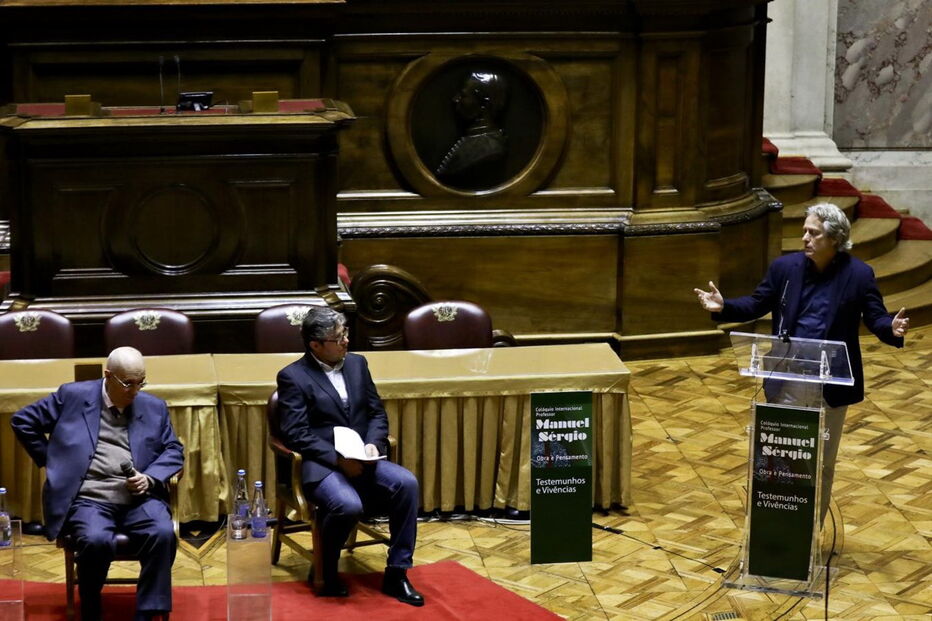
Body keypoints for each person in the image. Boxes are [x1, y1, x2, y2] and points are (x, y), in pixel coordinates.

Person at [694, 203, 909, 522]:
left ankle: (810, 533)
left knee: (821, 463)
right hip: (788, 375)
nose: (805, 238)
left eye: (813, 233)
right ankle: (775, 528)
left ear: (834, 239)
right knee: (781, 457)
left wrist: (889, 328)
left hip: (831, 383)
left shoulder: (859, 275)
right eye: (805, 231)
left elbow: (875, 316)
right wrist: (723, 307)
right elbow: (756, 304)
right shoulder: (785, 268)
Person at [11, 346, 184, 621]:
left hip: (139, 498)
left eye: (141, 382)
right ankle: (91, 602)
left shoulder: (154, 406)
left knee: (163, 533)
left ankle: (149, 612)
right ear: (109, 376)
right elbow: (22, 421)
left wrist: (150, 478)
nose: (135, 390)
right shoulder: (73, 396)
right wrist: (54, 461)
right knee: (94, 539)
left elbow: (173, 449)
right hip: (89, 498)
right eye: (128, 383)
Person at [276, 306, 424, 606]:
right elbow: (296, 433)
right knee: (347, 504)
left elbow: (376, 412)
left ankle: (397, 572)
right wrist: (338, 459)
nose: (345, 341)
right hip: (323, 465)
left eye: (345, 334)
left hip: (364, 458)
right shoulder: (293, 376)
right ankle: (325, 569)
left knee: (407, 484)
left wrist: (373, 444)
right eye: (337, 338)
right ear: (315, 344)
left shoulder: (357, 364)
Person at [435, 70, 508, 184]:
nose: (455, 99)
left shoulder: (490, 149)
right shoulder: (475, 140)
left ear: (484, 104)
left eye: (463, 95)